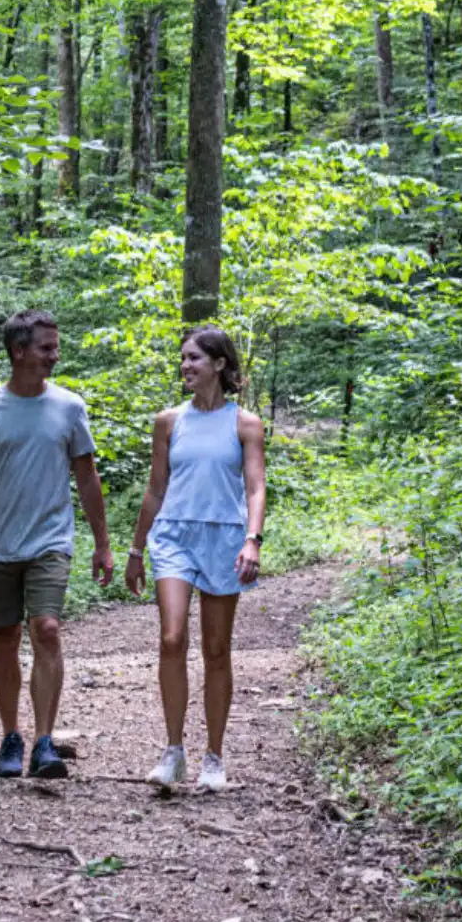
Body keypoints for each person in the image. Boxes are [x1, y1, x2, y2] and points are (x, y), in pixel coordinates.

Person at [0, 309, 113, 779]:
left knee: (46, 628)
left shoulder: (69, 407)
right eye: (45, 347)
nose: (54, 355)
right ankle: (10, 737)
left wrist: (103, 543)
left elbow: (87, 476)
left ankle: (44, 741)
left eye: (55, 346)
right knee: (5, 635)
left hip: (50, 540)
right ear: (18, 351)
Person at [125, 326, 266, 792]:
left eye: (194, 359)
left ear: (220, 365)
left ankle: (214, 757)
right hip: (173, 536)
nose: (186, 366)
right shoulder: (168, 421)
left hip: (224, 538)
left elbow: (255, 486)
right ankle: (173, 751)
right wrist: (136, 549)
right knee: (171, 637)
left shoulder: (244, 424)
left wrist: (253, 539)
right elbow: (156, 487)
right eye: (183, 358)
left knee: (216, 649)